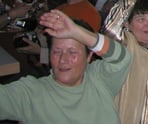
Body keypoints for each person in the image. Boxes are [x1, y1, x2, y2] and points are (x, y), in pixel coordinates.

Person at [0, 10, 132, 124]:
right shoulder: (31, 93)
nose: (63, 60)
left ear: (89, 56)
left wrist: (78, 32)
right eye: (57, 51)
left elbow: (122, 58)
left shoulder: (99, 78)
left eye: (72, 52)